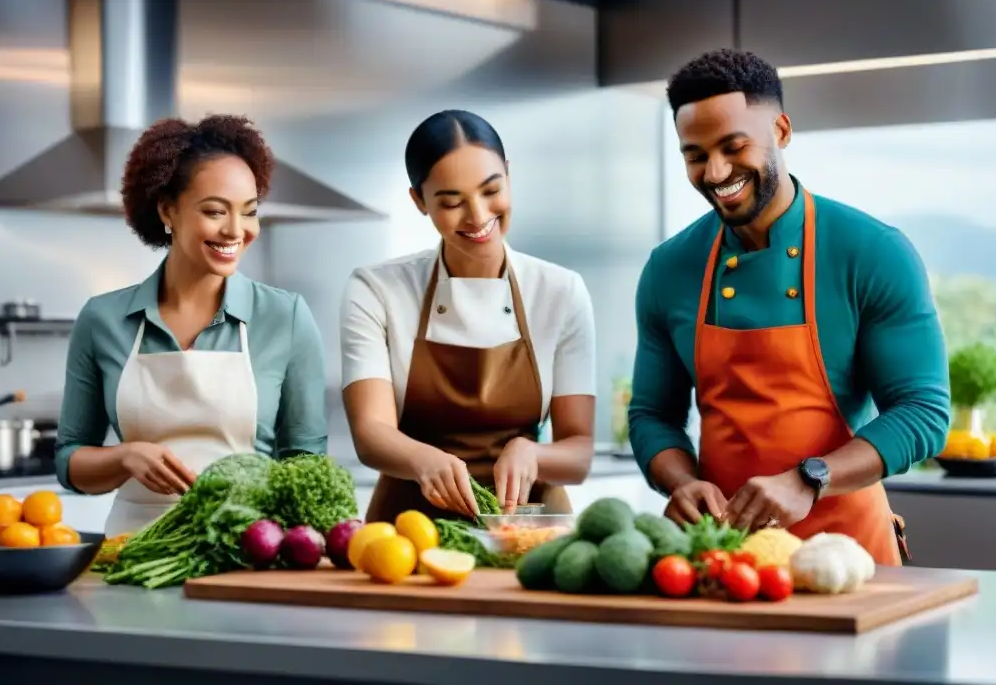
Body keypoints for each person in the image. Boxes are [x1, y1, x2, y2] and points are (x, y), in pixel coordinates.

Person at [628, 49, 950, 565]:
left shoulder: (873, 252)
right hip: (724, 562)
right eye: (695, 155)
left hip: (850, 559)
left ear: (780, 130)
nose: (715, 172)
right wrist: (681, 482)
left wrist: (810, 479)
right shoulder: (669, 268)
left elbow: (923, 413)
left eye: (734, 146)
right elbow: (652, 415)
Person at [56, 114, 328, 536]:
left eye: (250, 212)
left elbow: (307, 463)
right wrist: (123, 457)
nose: (236, 230)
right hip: (133, 554)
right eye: (216, 211)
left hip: (246, 551)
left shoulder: (285, 317)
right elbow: (70, 461)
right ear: (168, 209)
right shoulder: (103, 319)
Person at [340, 109, 596, 522]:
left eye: (491, 190)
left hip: (528, 532)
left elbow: (579, 452)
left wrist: (532, 453)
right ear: (419, 201)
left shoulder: (560, 291)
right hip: (408, 534)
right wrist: (425, 461)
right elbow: (371, 433)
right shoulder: (376, 290)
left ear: (509, 175)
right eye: (452, 201)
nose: (477, 216)